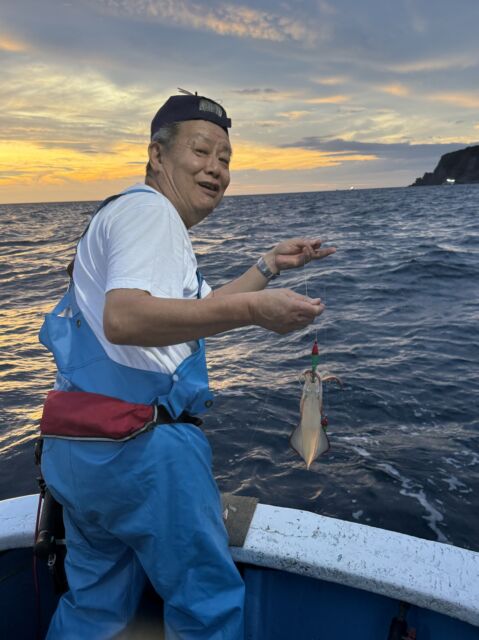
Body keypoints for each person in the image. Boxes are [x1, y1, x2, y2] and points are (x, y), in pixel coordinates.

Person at [39, 93, 336, 640]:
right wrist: (254, 310)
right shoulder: (151, 213)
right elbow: (126, 319)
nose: (216, 169)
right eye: (201, 151)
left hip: (81, 451)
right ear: (157, 155)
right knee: (206, 608)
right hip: (142, 455)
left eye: (225, 158)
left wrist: (268, 266)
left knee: (96, 608)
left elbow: (191, 314)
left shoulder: (122, 216)